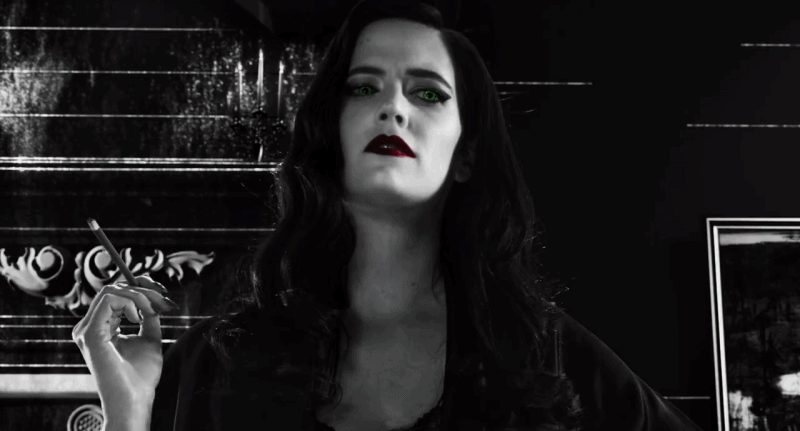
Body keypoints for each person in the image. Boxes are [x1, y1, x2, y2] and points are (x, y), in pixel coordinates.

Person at [72, 1, 705, 430]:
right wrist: (130, 416)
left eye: (428, 93)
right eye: (363, 87)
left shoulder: (551, 361)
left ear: (467, 153)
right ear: (330, 132)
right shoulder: (213, 362)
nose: (393, 107)